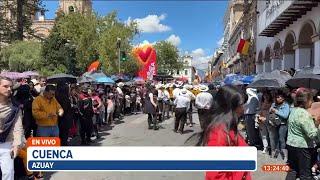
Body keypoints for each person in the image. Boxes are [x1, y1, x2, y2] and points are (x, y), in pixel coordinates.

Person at [198, 85, 251, 180]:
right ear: (229, 107)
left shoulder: (228, 127)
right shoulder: (219, 133)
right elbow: (215, 175)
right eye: (241, 105)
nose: (243, 109)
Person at [286, 88, 319, 180]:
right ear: (307, 100)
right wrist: (317, 124)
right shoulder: (304, 114)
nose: (312, 103)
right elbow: (312, 134)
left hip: (291, 144)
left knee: (292, 170)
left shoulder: (293, 110)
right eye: (312, 100)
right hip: (302, 147)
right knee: (305, 174)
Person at [0, 76, 24, 180]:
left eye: (10, 87)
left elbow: (17, 127)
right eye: (5, 86)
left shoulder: (15, 106)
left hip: (6, 143)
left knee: (8, 173)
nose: (9, 89)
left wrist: (17, 144)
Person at [269, 90, 290, 159]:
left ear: (283, 98)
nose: (278, 98)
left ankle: (283, 154)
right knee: (276, 138)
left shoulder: (286, 105)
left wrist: (276, 111)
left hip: (283, 124)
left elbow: (285, 115)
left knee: (282, 139)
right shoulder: (274, 104)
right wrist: (271, 110)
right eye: (277, 97)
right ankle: (277, 153)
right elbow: (270, 112)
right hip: (275, 124)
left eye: (279, 97)